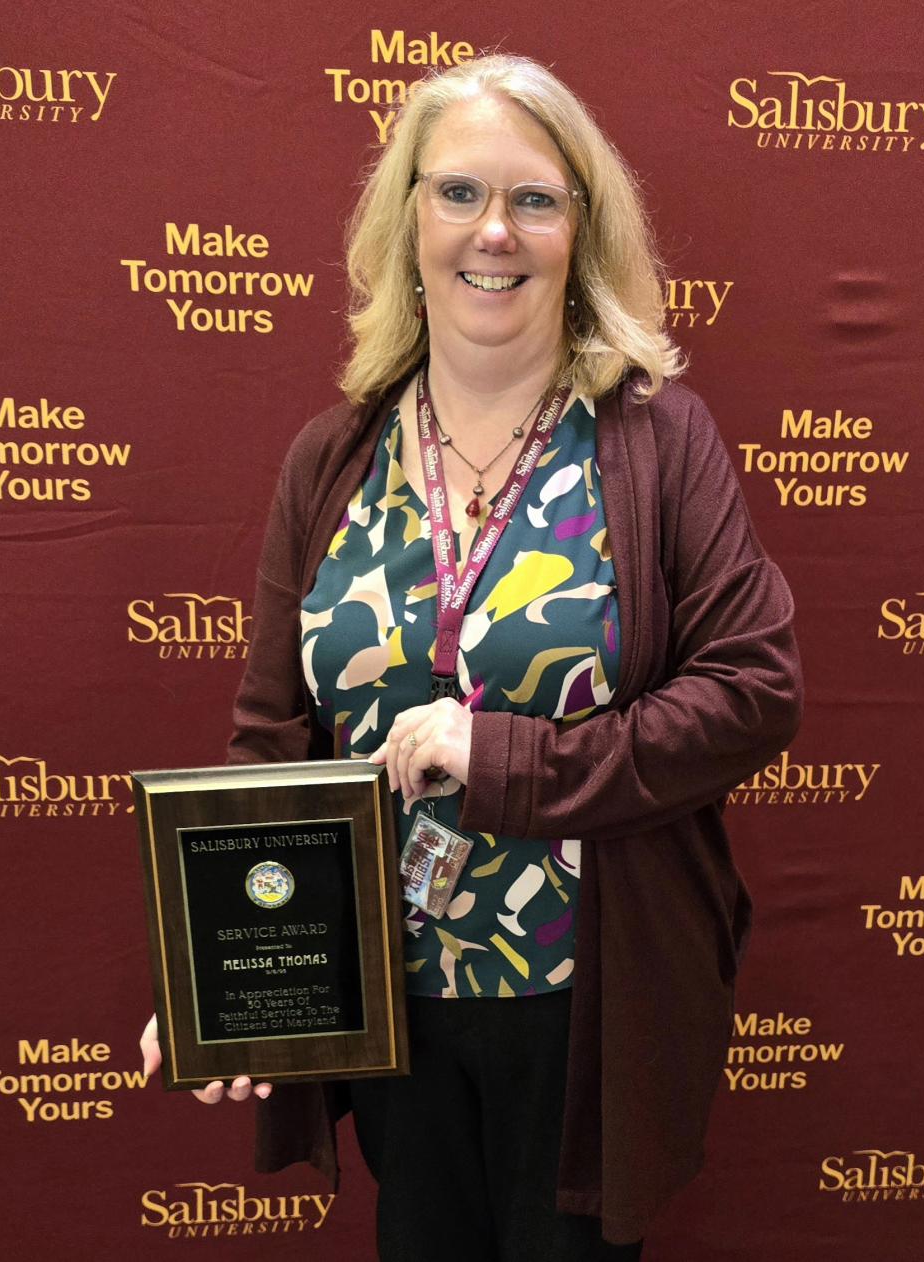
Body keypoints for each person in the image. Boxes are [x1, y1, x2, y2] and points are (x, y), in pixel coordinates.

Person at [141, 53, 802, 1262]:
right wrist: (222, 968)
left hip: (587, 1002)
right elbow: (273, 734)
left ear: (578, 232)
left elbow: (752, 691)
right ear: (406, 218)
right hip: (388, 1010)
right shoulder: (330, 455)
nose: (492, 231)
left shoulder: (656, 438)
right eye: (456, 193)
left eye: (534, 200)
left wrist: (497, 754)